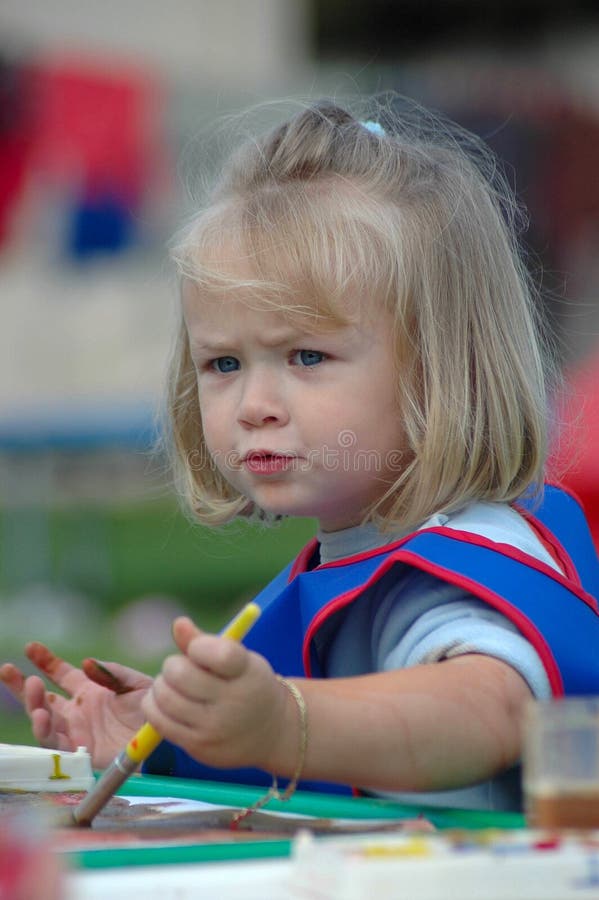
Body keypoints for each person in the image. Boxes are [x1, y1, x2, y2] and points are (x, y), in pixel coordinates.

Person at [2, 98, 599, 814]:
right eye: (222, 364)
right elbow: (329, 781)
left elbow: (487, 713)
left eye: (306, 355)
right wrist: (172, 734)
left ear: (442, 371)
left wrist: (282, 722)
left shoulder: (472, 560)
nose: (255, 403)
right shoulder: (351, 558)